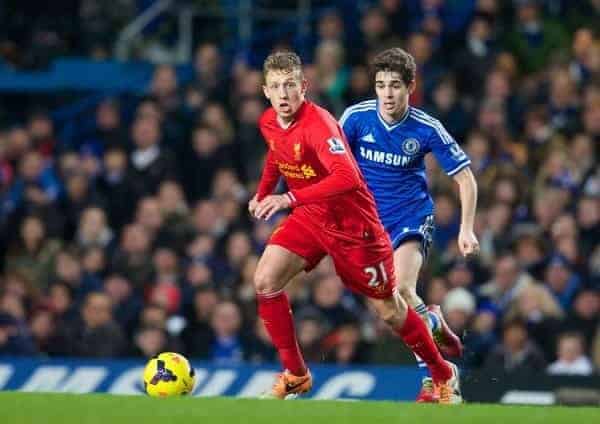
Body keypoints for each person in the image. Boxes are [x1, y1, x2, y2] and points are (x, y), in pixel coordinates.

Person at [248, 51, 460, 403]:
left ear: (304, 86)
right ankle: (296, 375)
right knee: (265, 281)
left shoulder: (319, 124)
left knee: (390, 309)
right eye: (275, 87)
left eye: (290, 85)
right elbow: (277, 152)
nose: (283, 94)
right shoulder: (269, 121)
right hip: (312, 216)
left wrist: (288, 199)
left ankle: (442, 373)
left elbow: (347, 176)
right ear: (265, 91)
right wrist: (263, 192)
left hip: (353, 226)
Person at [340, 48, 479, 402]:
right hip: (369, 226)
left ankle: (436, 380)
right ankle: (431, 322)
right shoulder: (356, 118)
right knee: (391, 312)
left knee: (400, 290)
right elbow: (334, 165)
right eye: (380, 85)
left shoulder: (426, 127)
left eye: (395, 86)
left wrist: (466, 229)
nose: (387, 94)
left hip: (411, 218)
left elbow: (466, 179)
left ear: (410, 87)